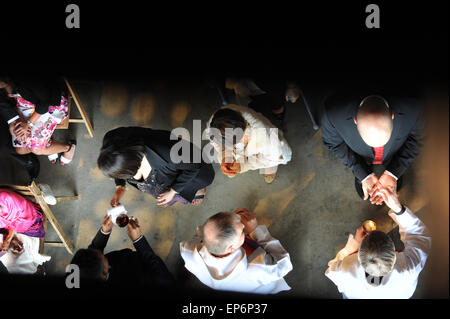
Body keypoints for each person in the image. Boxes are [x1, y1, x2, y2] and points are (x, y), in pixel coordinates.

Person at [325, 188, 431, 298]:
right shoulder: (410, 268)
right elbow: (419, 235)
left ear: (358, 256)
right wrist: (398, 208)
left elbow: (331, 269)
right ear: (394, 254)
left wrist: (353, 245)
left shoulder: (345, 269)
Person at [321, 90, 423, 203]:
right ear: (355, 120)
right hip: (360, 156)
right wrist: (362, 173)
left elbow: (417, 139)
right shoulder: (332, 112)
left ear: (392, 115)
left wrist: (393, 173)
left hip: (393, 153)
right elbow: (334, 143)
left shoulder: (416, 107)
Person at [180, 208, 293, 294]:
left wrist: (231, 223)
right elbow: (284, 264)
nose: (244, 228)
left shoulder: (188, 251)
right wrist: (256, 230)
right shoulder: (259, 267)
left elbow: (200, 234)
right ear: (231, 248)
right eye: (242, 231)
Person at [97, 127, 215, 207]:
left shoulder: (170, 154)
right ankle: (174, 193)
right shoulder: (112, 140)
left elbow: (194, 166)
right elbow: (117, 163)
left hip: (187, 168)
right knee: (168, 194)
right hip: (162, 181)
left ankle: (197, 189)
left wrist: (173, 191)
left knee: (190, 185)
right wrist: (120, 187)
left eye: (127, 176)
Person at [70, 215, 174, 286]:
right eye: (103, 256)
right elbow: (162, 275)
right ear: (105, 272)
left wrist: (104, 232)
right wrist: (138, 240)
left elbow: (93, 252)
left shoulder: (77, 276)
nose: (97, 250)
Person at [0, 75, 76, 165]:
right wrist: (13, 121)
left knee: (36, 149)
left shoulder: (26, 79)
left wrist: (29, 124)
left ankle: (68, 147)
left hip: (50, 105)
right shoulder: (5, 84)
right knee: (20, 149)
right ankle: (48, 144)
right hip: (24, 105)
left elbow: (45, 102)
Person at [206, 104, 292, 183]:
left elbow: (269, 159)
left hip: (272, 155)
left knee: (270, 165)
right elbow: (219, 145)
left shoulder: (268, 141)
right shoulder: (218, 121)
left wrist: (242, 166)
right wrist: (225, 158)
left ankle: (270, 171)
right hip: (245, 142)